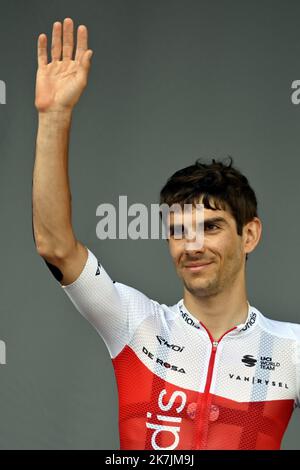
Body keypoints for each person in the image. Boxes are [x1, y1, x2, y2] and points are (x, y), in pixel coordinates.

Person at [32, 18, 300, 450]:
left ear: (249, 235)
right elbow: (55, 246)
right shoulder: (134, 323)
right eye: (179, 231)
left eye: (210, 227)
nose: (192, 245)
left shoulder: (292, 349)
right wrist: (55, 116)